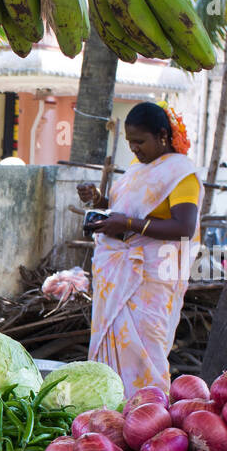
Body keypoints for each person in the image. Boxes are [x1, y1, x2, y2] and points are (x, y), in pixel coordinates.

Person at [77, 101, 202, 394]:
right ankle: (111, 415)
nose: (134, 148)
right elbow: (123, 211)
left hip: (151, 281)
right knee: (114, 347)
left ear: (161, 135)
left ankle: (148, 417)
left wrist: (129, 225)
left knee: (146, 353)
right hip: (118, 275)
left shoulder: (181, 173)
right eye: (130, 142)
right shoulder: (137, 169)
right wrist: (97, 201)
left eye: (139, 141)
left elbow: (183, 227)